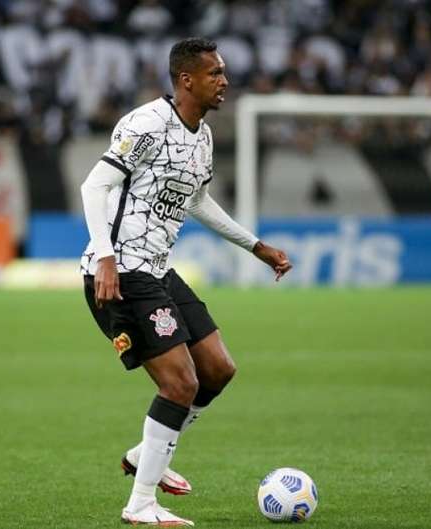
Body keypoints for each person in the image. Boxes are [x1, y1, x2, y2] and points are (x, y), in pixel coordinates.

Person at [79, 37, 292, 526]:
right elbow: (95, 185)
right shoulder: (146, 123)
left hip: (157, 268)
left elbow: (196, 202)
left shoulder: (203, 135)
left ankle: (145, 453)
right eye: (215, 73)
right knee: (180, 383)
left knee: (217, 369)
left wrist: (254, 245)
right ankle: (141, 504)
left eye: (224, 72)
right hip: (121, 271)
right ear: (186, 79)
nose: (225, 81)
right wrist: (106, 258)